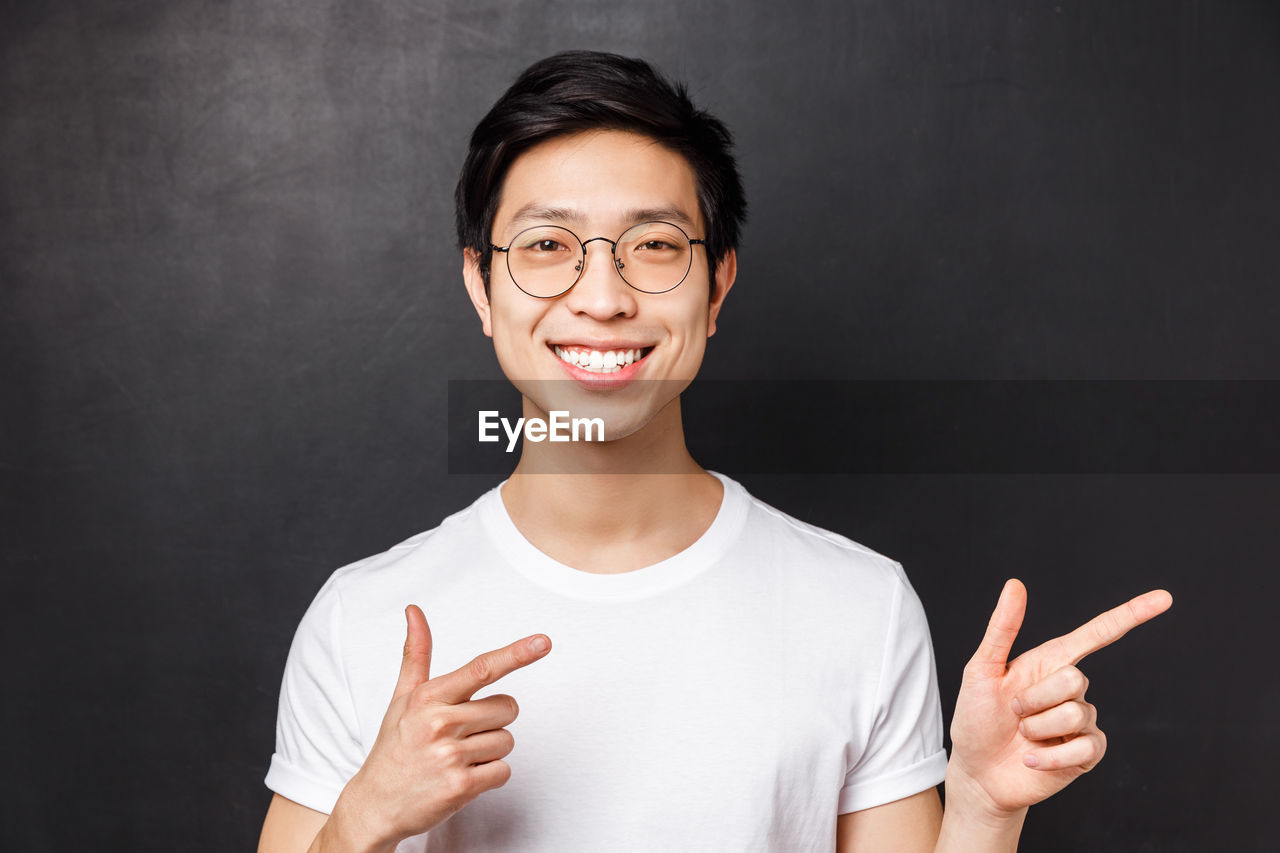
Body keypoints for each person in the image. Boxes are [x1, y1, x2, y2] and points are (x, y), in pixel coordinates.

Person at [257, 51, 1171, 852]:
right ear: (481, 285)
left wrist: (978, 812)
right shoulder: (361, 619)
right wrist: (358, 824)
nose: (603, 297)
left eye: (654, 245)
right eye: (547, 245)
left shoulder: (858, 604)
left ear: (718, 282)